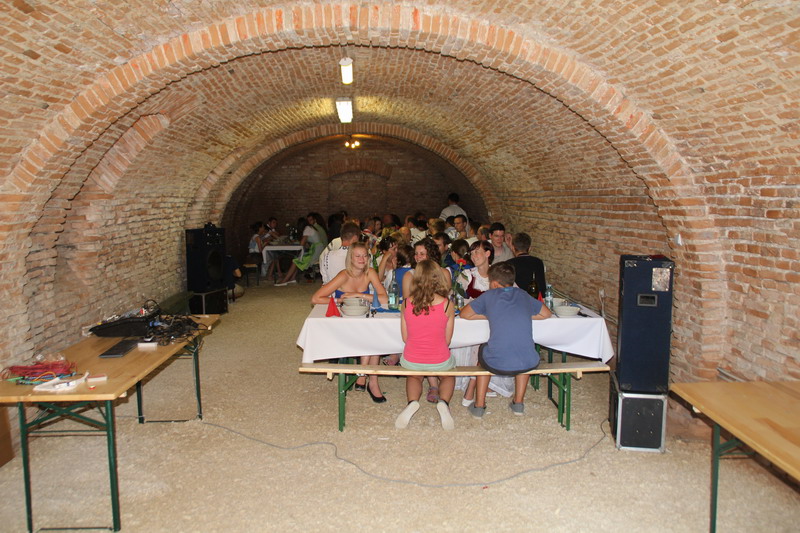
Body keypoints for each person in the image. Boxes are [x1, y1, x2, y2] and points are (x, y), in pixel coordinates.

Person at [459, 262, 552, 418]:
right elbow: (546, 313)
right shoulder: (523, 294)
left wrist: (489, 315)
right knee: (523, 351)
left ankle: (479, 406)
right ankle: (518, 404)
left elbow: (464, 314)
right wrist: (522, 314)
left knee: (483, 352)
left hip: (497, 363)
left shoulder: (489, 296)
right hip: (528, 361)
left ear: (495, 283)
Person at [311, 242, 389, 402]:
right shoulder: (344, 275)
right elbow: (316, 298)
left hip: (362, 321)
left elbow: (384, 298)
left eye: (365, 255)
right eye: (357, 256)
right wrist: (339, 300)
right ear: (350, 258)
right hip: (345, 325)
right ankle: (368, 379)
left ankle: (366, 376)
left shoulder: (370, 272)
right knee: (373, 337)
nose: (362, 259)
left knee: (375, 333)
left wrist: (358, 295)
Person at [395, 259, 457, 430]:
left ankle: (412, 402)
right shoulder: (447, 305)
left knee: (414, 376)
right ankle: (444, 403)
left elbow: (405, 337)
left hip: (412, 358)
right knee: (448, 376)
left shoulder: (406, 303)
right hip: (439, 359)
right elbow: (447, 340)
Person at [276, 213, 328, 286]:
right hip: (317, 249)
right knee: (297, 258)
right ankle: (292, 278)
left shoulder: (307, 229)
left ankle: (285, 280)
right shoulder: (310, 228)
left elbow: (301, 244)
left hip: (316, 251)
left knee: (296, 260)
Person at [506, 232, 547, 299]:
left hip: (518, 301)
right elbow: (542, 289)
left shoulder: (508, 264)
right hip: (538, 301)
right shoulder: (538, 262)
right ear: (530, 248)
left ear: (513, 248)